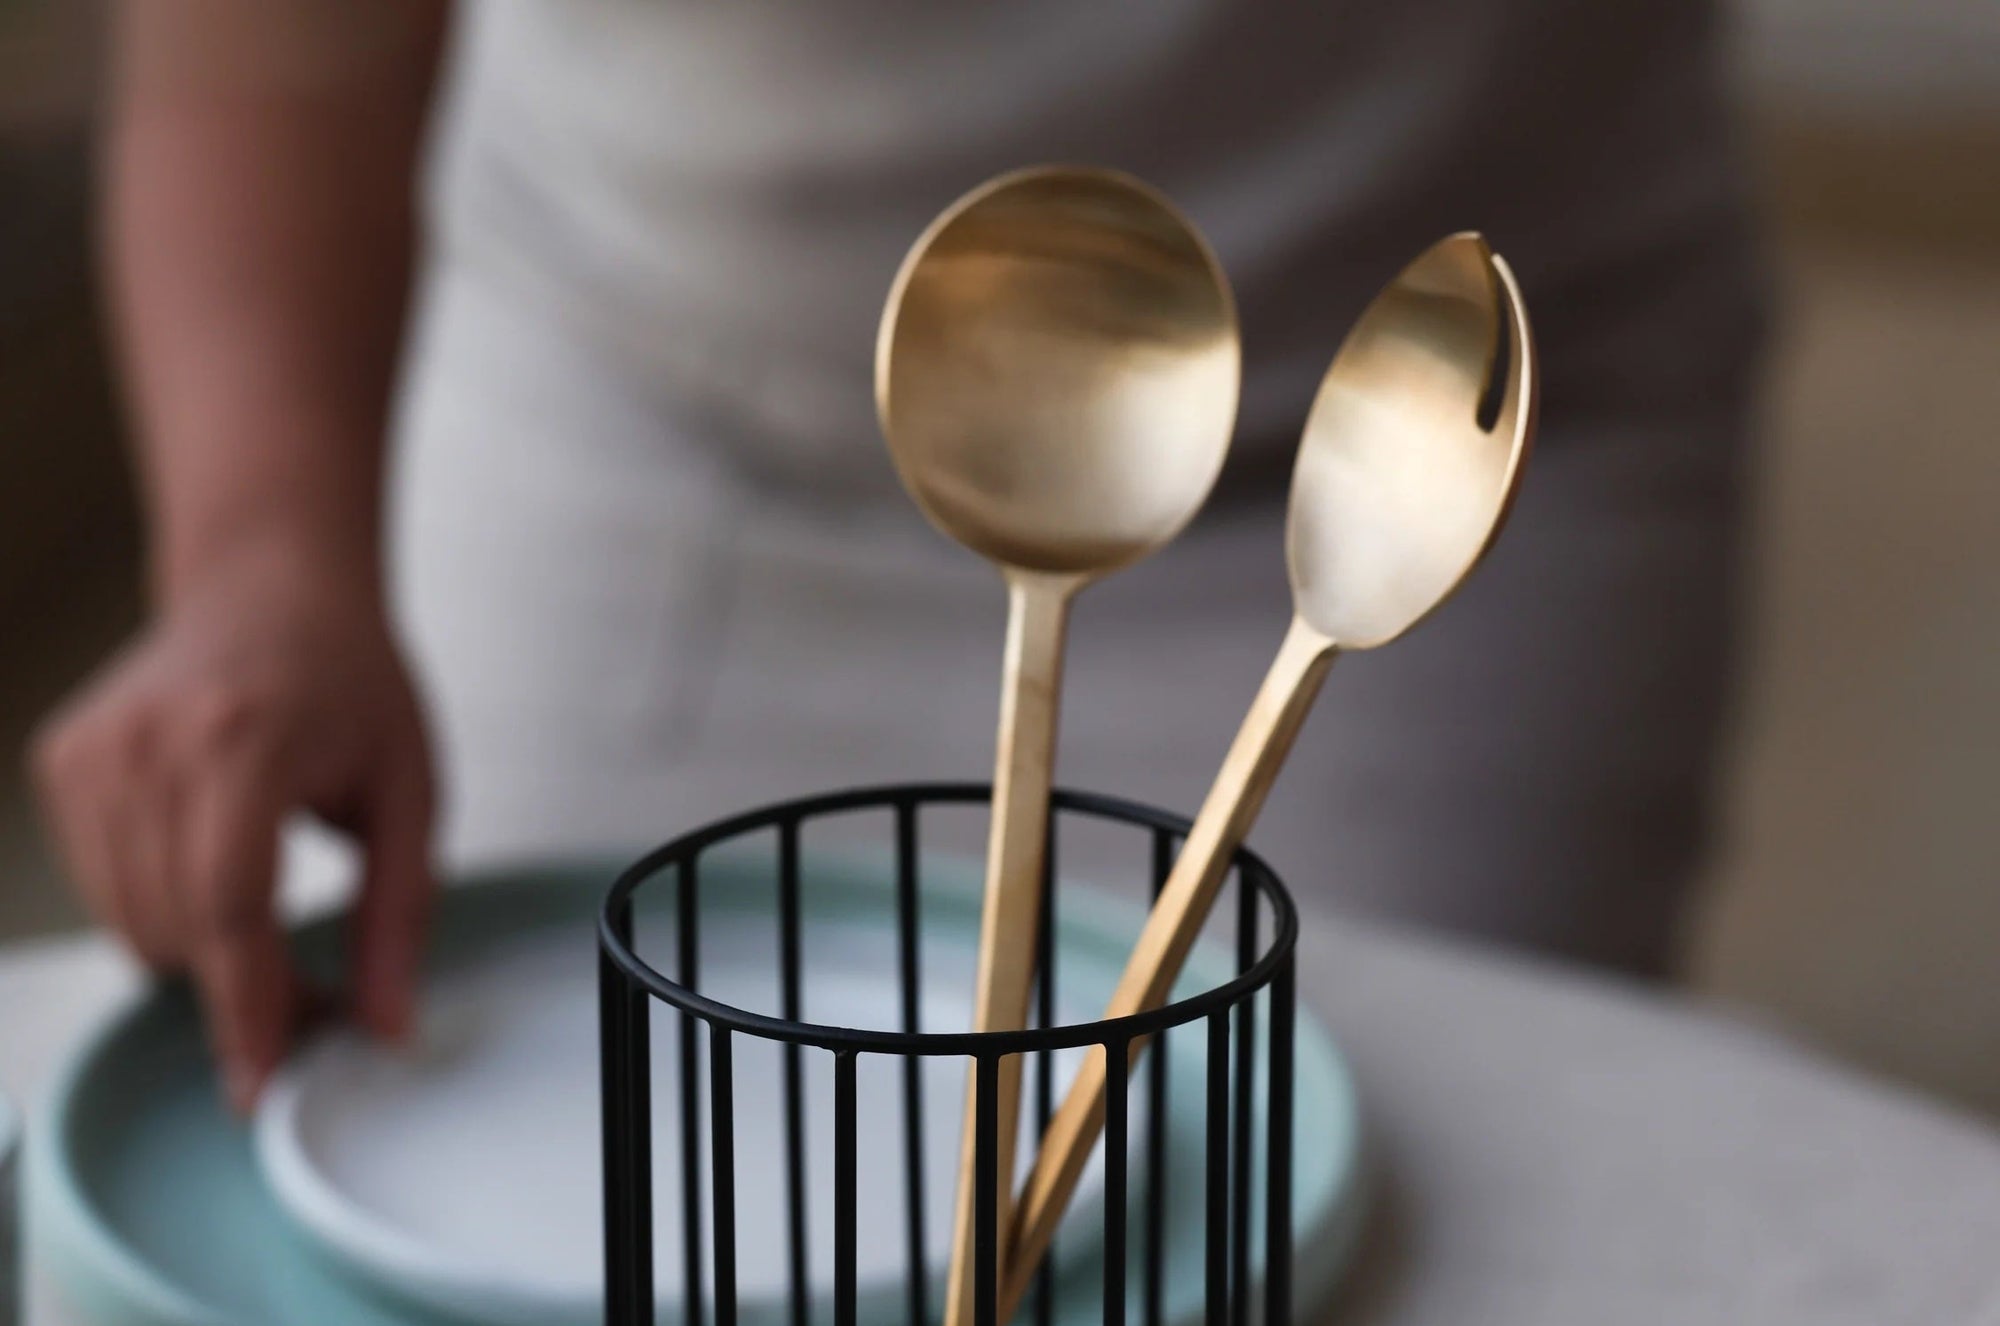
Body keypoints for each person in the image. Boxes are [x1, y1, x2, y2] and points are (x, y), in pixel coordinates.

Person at [33, 0, 1763, 1112]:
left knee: (1341, 1316)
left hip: (1387, 428)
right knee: (499, 1192)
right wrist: (263, 561)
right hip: (629, 391)